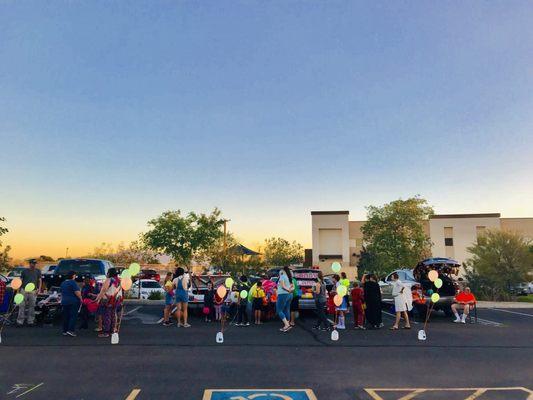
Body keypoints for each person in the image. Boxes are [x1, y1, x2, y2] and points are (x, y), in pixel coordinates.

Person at [95, 268, 123, 338]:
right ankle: (112, 330)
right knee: (113, 315)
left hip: (107, 300)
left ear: (109, 273)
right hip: (115, 300)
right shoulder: (118, 280)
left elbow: (103, 291)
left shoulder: (109, 280)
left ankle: (106, 332)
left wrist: (98, 299)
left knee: (106, 316)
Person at [17, 259, 42, 326]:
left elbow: (40, 280)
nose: (34, 265)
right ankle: (20, 321)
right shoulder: (24, 271)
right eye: (32, 263)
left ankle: (30, 321)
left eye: (35, 263)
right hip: (24, 290)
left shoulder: (38, 271)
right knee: (22, 306)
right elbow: (21, 280)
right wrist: (19, 290)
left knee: (32, 306)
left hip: (33, 290)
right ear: (30, 263)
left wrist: (39, 289)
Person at [60, 271, 82, 337]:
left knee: (66, 316)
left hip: (64, 301)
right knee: (73, 316)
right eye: (75, 275)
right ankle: (71, 330)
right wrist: (81, 298)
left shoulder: (63, 283)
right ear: (73, 276)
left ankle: (65, 330)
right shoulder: (73, 282)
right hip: (73, 301)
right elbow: (77, 292)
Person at [276, 266, 294, 332]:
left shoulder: (282, 276)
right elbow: (293, 287)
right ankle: (287, 324)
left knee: (279, 310)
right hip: (290, 295)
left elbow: (283, 286)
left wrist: (287, 290)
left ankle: (286, 325)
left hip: (283, 294)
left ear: (283, 271)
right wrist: (290, 290)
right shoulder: (289, 277)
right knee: (287, 308)